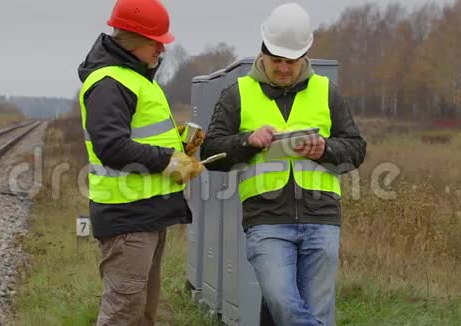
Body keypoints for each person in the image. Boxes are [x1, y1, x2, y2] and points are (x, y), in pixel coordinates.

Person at [200, 3, 366, 326]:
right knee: (282, 302)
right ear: (263, 52)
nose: (284, 68)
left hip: (322, 218)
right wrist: (246, 141)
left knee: (314, 311)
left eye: (291, 61)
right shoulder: (237, 95)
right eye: (276, 60)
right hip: (266, 220)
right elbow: (211, 153)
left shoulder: (327, 93)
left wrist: (325, 149)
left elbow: (356, 149)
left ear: (305, 55)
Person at [77, 0, 204, 325]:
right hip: (127, 219)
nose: (161, 49)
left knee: (142, 313)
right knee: (122, 315)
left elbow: (135, 137)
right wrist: (168, 159)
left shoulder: (134, 79)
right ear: (134, 40)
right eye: (156, 41)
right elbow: (111, 146)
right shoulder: (110, 82)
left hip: (145, 214)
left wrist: (177, 143)